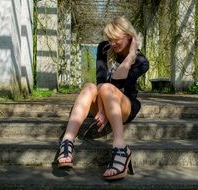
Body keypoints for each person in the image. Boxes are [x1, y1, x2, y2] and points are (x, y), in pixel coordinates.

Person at [57, 16, 149, 180]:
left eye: (116, 39)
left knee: (108, 88)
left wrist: (130, 56)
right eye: (110, 39)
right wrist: (102, 108)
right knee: (89, 86)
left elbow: (118, 84)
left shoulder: (141, 61)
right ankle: (67, 141)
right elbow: (100, 83)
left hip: (125, 105)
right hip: (104, 98)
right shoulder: (104, 48)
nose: (112, 44)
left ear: (129, 36)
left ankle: (120, 148)